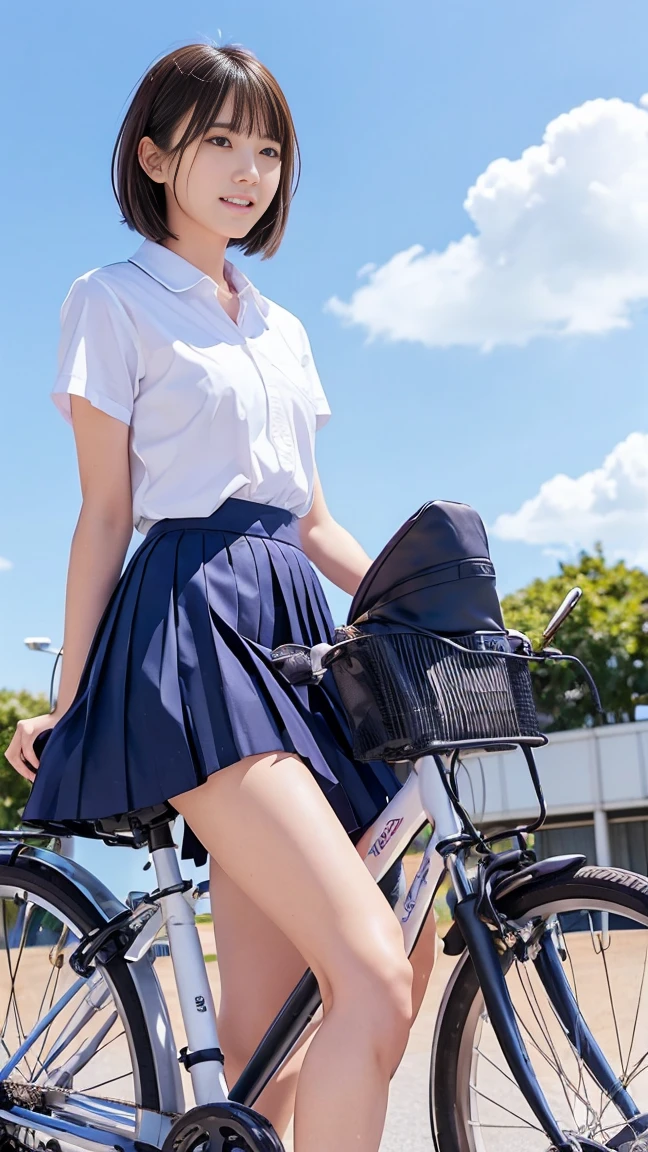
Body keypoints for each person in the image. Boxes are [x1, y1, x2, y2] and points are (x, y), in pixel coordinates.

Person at [5, 42, 435, 1152]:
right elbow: (105, 515)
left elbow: (312, 523)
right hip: (191, 634)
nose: (251, 171)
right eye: (219, 145)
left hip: (297, 639)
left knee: (280, 1031)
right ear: (155, 158)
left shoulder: (282, 328)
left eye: (269, 149)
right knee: (371, 978)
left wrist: (437, 596)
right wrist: (69, 697)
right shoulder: (112, 299)